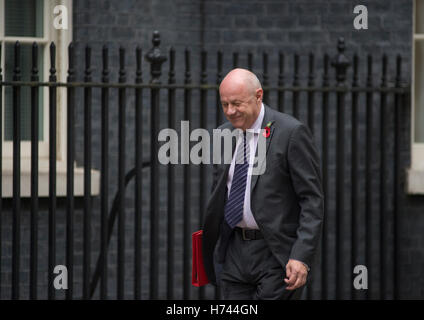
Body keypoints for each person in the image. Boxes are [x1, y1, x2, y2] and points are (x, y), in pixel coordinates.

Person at [202, 68, 324, 300]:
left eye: (237, 103)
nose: (230, 111)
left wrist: (301, 256)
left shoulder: (291, 133)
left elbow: (311, 199)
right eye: (224, 104)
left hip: (276, 253)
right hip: (234, 251)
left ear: (258, 96)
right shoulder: (222, 134)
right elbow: (221, 192)